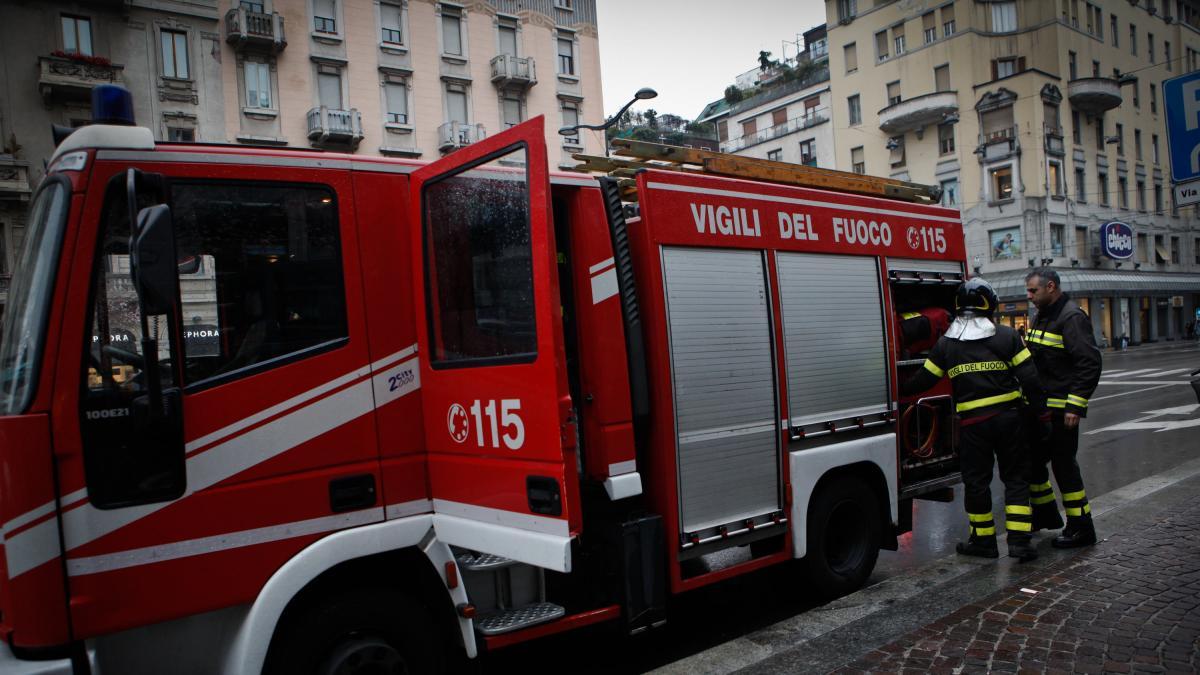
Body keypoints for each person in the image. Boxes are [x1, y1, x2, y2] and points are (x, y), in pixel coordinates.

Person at [902, 278, 1045, 562]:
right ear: (989, 304)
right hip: (1009, 420)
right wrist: (1042, 416)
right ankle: (1019, 543)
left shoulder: (946, 344)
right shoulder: (1007, 336)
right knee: (1016, 479)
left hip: (973, 427)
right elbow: (1031, 379)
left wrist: (893, 390)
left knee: (977, 483)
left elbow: (924, 380)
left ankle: (983, 542)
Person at [1024, 267, 1103, 548]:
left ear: (1051, 287)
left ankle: (1081, 528)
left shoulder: (1071, 317)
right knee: (1032, 463)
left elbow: (1089, 363)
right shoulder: (1042, 316)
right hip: (1042, 410)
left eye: (1033, 290)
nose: (1029, 296)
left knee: (1064, 467)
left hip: (1061, 412)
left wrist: (1075, 406)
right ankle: (1045, 513)